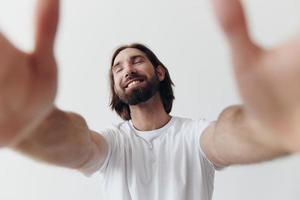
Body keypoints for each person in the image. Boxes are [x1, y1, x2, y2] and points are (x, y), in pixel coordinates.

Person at [0, 0, 300, 199]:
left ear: (159, 72)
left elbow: (229, 134)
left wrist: (269, 127)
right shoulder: (112, 146)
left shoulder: (196, 137)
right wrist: (35, 124)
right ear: (115, 87)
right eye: (118, 68)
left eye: (136, 61)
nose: (127, 69)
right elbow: (74, 142)